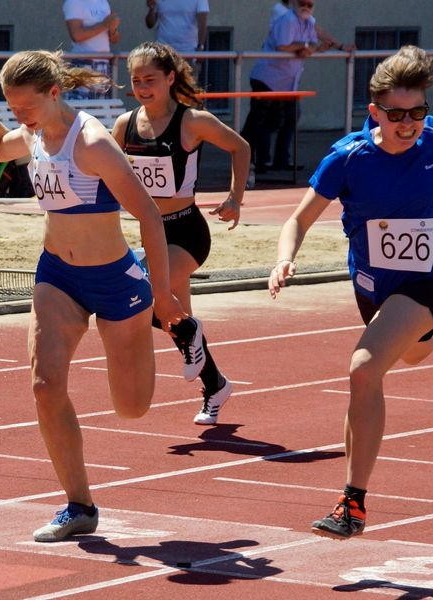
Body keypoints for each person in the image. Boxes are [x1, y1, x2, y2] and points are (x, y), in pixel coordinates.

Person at [266, 45, 433, 540]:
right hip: (373, 287)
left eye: (417, 112)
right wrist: (286, 257)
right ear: (375, 112)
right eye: (397, 115)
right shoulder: (348, 158)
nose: (408, 123)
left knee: (365, 368)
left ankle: (354, 503)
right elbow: (298, 218)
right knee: (414, 353)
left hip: (428, 280)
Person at [0, 50, 184, 542]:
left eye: (27, 108)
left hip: (117, 280)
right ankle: (79, 505)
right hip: (57, 274)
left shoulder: (93, 144)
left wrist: (162, 296)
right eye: (13, 109)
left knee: (132, 407)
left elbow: (148, 216)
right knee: (44, 385)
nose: (20, 119)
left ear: (55, 94)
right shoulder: (33, 134)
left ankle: (141, 324)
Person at [111, 42, 250, 425]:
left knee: (150, 295)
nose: (142, 87)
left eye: (150, 79)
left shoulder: (192, 121)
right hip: (150, 231)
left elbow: (240, 147)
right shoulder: (125, 126)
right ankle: (216, 385)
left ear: (170, 78)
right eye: (136, 81)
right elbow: (105, 167)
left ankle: (192, 333)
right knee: (173, 315)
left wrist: (235, 198)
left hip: (186, 231)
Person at [241, 0, 351, 189]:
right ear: (294, 3)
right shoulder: (288, 19)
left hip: (287, 83)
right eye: (303, 3)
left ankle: (276, 161)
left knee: (286, 119)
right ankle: (249, 161)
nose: (306, 7)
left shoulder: (308, 21)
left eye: (310, 4)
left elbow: (316, 38)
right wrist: (305, 46)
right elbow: (284, 45)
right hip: (268, 79)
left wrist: (334, 46)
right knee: (258, 122)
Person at [62, 0, 120, 99]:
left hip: (104, 65)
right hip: (83, 65)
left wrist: (113, 28)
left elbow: (114, 39)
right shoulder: (74, 2)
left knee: (103, 110)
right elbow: (77, 35)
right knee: (81, 109)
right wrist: (104, 24)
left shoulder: (103, 2)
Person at [145, 0, 209, 80]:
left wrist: (201, 47)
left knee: (186, 89)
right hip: (163, 52)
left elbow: (202, 24)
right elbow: (150, 24)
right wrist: (152, 8)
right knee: (163, 87)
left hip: (188, 52)